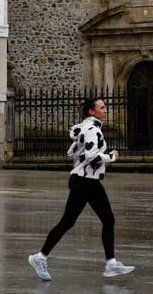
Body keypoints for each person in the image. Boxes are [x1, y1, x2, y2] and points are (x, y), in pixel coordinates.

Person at [29, 98, 135, 281]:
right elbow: (91, 157)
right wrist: (111, 156)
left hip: (87, 180)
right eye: (102, 108)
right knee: (71, 222)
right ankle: (40, 257)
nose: (105, 110)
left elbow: (73, 152)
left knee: (102, 220)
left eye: (105, 107)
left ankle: (111, 263)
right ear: (91, 112)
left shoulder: (86, 128)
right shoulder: (93, 130)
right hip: (85, 181)